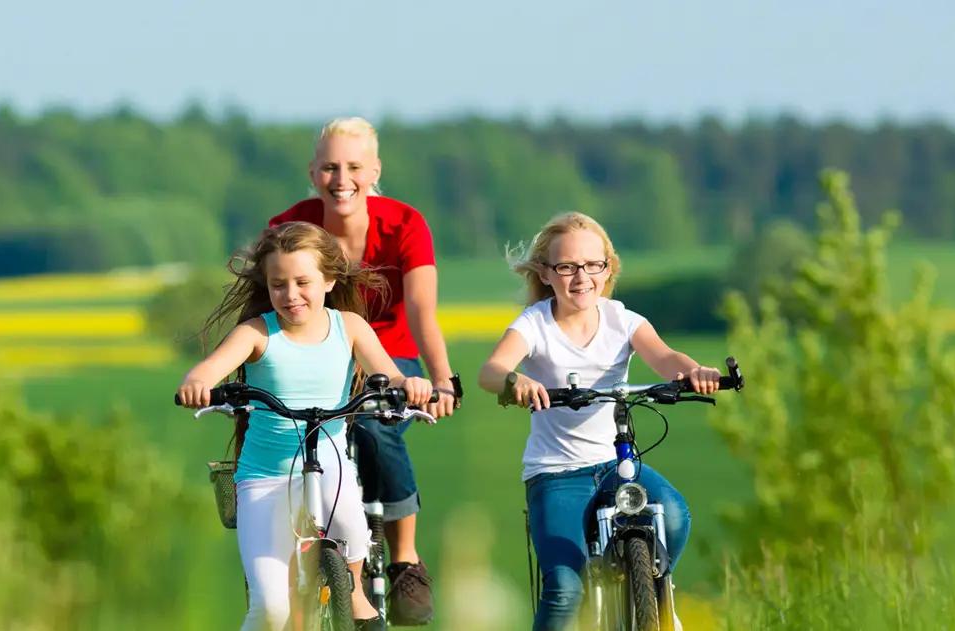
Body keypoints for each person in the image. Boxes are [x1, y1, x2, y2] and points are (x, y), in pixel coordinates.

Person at [175, 221, 438, 631]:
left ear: (330, 280)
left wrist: (412, 385)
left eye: (303, 282)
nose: (291, 294)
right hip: (266, 480)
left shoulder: (349, 327)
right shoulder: (257, 333)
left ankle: (355, 600)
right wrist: (198, 385)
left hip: (330, 468)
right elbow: (207, 372)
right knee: (270, 610)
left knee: (353, 527)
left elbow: (388, 375)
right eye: (279, 284)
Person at [474, 211, 722, 631]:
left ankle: (658, 595)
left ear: (608, 269)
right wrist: (515, 380)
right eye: (567, 267)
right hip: (556, 474)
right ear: (546, 274)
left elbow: (665, 358)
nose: (581, 277)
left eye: (593, 265)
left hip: (615, 463)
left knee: (674, 514)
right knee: (565, 589)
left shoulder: (621, 320)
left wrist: (693, 371)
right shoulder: (535, 323)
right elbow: (491, 371)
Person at [266, 116, 457, 626]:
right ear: (313, 172)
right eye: (329, 167)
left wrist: (441, 378)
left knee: (376, 428)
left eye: (353, 167)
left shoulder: (405, 225)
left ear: (374, 171)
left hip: (390, 359)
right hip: (311, 355)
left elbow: (420, 311)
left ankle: (404, 560)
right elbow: (259, 305)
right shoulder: (290, 227)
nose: (340, 178)